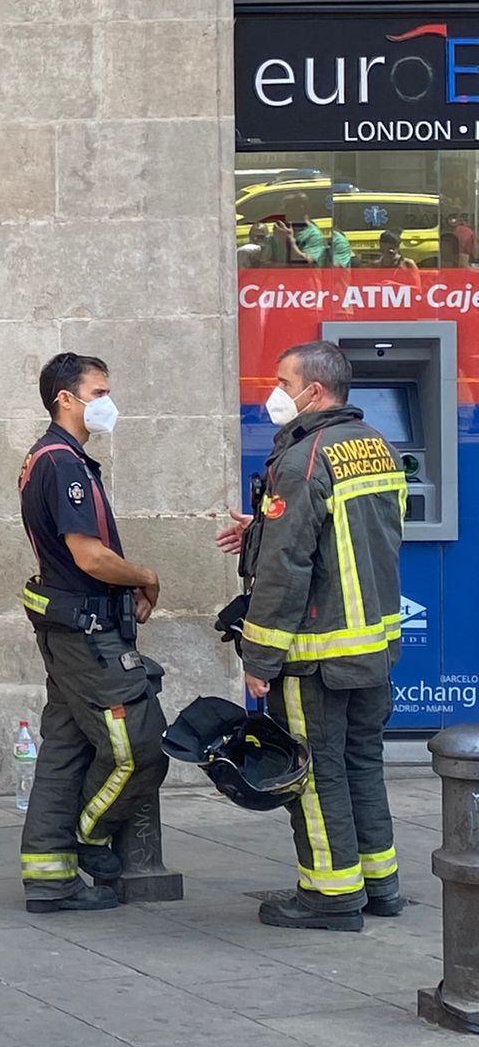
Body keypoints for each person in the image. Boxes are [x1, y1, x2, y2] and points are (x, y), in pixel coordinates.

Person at [216, 340, 405, 930]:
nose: (274, 392)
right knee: (360, 764)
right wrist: (260, 530)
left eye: (281, 381)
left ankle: (329, 895)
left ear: (313, 392)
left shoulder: (302, 459)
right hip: (372, 645)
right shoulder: (378, 448)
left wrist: (259, 656)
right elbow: (344, 534)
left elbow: (288, 566)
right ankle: (378, 884)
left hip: (316, 654)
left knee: (316, 771)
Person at [15, 353, 166, 913]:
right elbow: (91, 557)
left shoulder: (57, 459)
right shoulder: (61, 463)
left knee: (67, 748)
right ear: (66, 398)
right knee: (139, 749)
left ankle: (50, 877)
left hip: (73, 630)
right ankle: (87, 839)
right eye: (98, 392)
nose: (107, 402)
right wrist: (147, 577)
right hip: (87, 633)